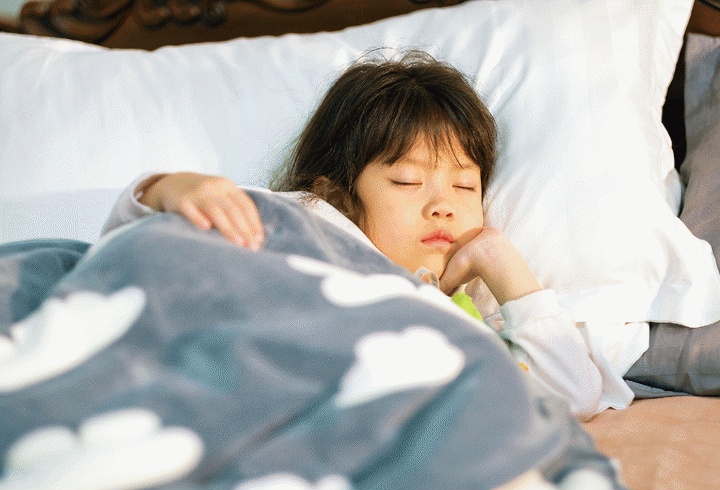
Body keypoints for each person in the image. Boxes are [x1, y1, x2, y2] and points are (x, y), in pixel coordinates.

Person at [104, 52, 604, 418]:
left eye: (464, 185)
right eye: (407, 181)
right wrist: (167, 189)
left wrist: (499, 259)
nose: (442, 205)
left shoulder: (459, 316)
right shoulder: (298, 220)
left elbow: (574, 394)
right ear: (337, 195)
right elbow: (128, 264)